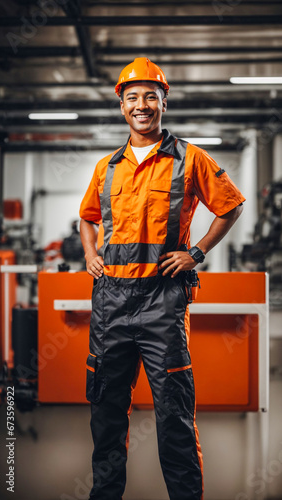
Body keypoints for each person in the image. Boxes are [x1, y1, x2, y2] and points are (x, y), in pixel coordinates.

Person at [79, 57, 245, 500]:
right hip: (110, 304)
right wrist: (91, 253)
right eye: (132, 97)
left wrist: (196, 253)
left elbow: (230, 206)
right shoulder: (106, 166)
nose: (141, 105)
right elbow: (87, 219)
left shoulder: (190, 159)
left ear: (163, 103)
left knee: (174, 414)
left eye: (150, 96)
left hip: (162, 304)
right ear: (122, 106)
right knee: (107, 413)